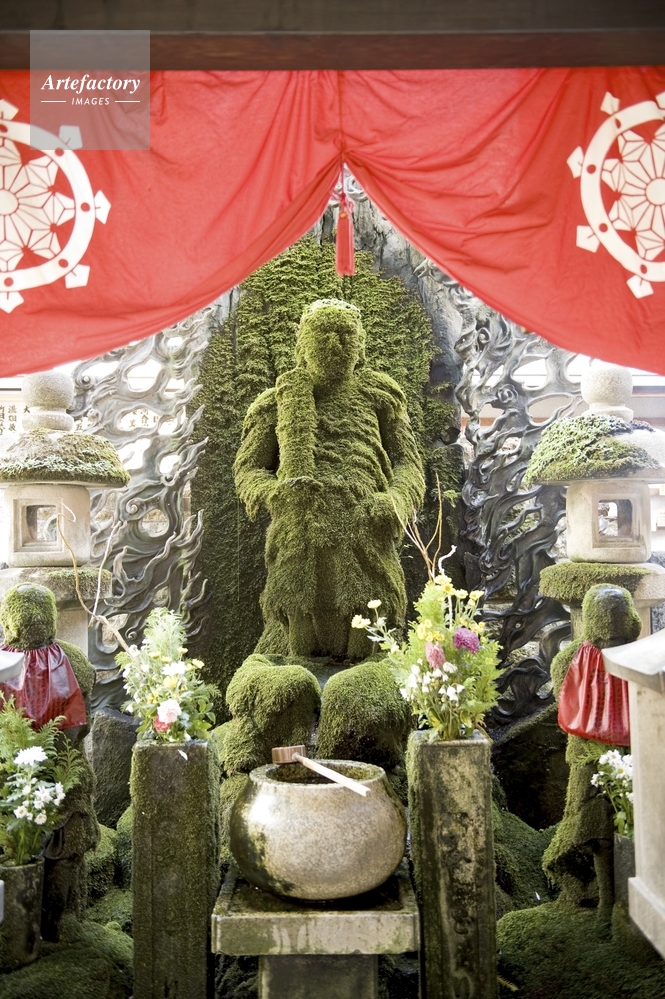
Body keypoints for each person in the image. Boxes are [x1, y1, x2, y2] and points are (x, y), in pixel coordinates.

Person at [234, 298, 425, 658]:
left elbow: (409, 465)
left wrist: (395, 500)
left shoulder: (381, 396)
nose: (334, 344)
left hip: (365, 531)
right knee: (298, 631)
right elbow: (248, 469)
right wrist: (274, 494)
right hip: (300, 535)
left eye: (345, 335)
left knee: (370, 628)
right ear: (302, 345)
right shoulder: (277, 402)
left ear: (360, 346)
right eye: (322, 334)